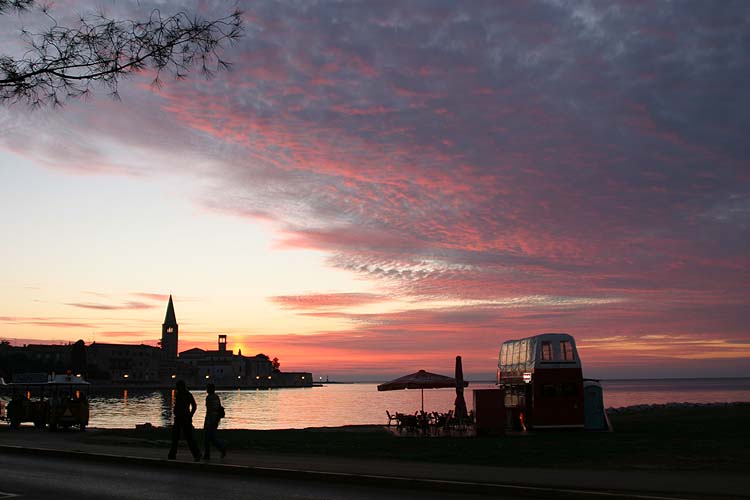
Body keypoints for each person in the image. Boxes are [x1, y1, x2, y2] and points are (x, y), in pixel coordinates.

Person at [168, 380, 201, 461]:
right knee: (178, 437)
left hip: (184, 417)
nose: (177, 388)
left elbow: (194, 405)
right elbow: (194, 406)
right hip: (180, 417)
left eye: (178, 386)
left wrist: (190, 415)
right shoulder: (181, 394)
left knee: (186, 437)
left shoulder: (186, 394)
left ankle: (196, 454)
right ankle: (173, 454)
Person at [202, 383, 226, 459]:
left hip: (210, 419)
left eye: (207, 388)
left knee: (207, 437)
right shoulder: (217, 397)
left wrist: (207, 421)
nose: (206, 389)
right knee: (212, 437)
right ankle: (221, 449)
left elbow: (209, 410)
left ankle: (208, 454)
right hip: (216, 419)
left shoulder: (209, 398)